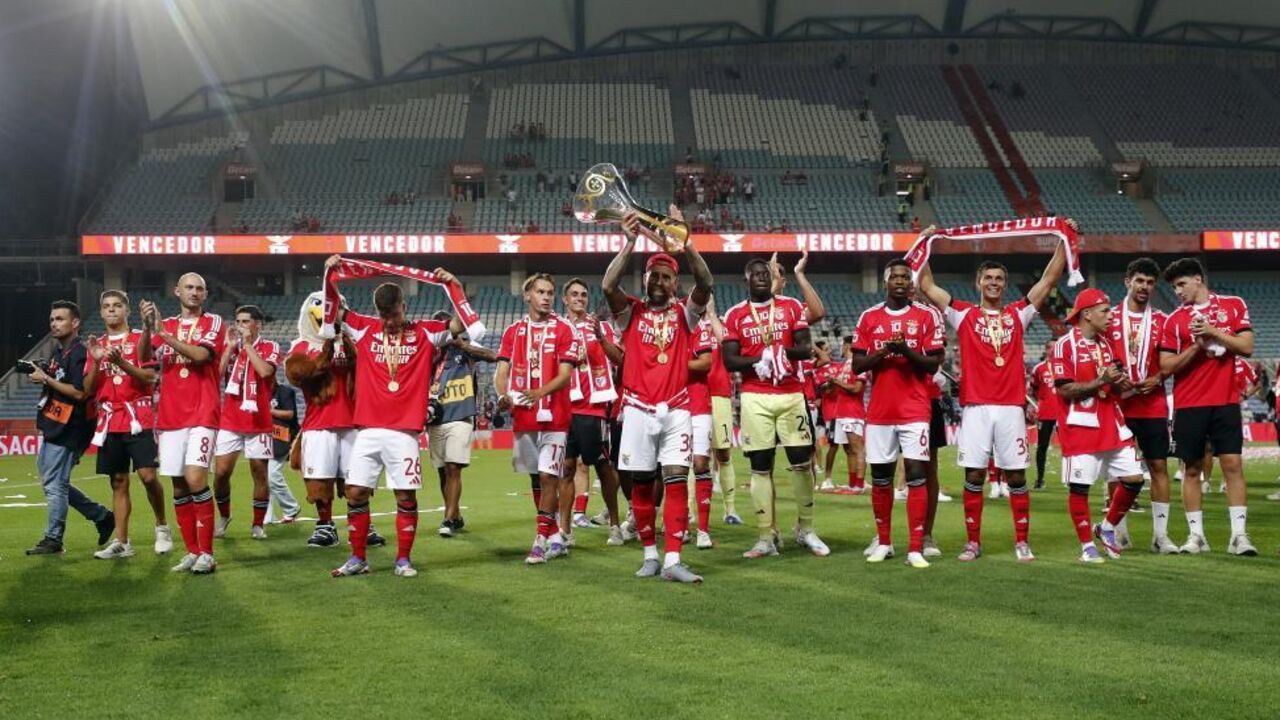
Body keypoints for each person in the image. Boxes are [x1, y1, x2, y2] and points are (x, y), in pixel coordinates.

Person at [916, 225, 1068, 563]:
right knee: (974, 475)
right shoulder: (964, 314)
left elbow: (1048, 282)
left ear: (1004, 282)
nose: (995, 283)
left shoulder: (1019, 313)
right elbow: (926, 285)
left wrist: (1064, 241)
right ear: (979, 283)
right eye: (989, 278)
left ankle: (1022, 542)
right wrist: (923, 242)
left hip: (1011, 408)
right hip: (975, 408)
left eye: (1000, 278)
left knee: (1015, 475)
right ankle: (973, 542)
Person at [327, 256, 466, 578]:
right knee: (355, 492)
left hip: (404, 432)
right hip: (367, 430)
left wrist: (454, 287)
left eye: (395, 314)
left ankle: (403, 559)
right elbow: (332, 308)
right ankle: (358, 557)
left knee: (405, 494)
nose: (389, 321)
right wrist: (329, 274)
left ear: (404, 306)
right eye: (384, 315)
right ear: (377, 311)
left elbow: (464, 324)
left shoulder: (426, 333)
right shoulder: (363, 328)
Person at [602, 206, 713, 582]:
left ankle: (673, 560)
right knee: (642, 482)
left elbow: (706, 283)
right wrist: (630, 242)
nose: (660, 282)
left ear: (674, 283)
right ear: (646, 279)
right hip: (636, 408)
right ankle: (650, 553)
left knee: (677, 478)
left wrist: (687, 244)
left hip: (677, 408)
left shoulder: (686, 315)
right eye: (654, 276)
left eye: (667, 277)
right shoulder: (631, 314)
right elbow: (607, 286)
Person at [722, 258, 829, 560]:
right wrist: (760, 359)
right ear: (747, 280)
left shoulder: (792, 306)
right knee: (760, 465)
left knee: (801, 462)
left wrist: (778, 353)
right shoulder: (736, 314)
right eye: (755, 274)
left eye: (765, 274)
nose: (761, 278)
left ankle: (806, 530)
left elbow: (805, 346)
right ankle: (765, 536)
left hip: (791, 393)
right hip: (755, 396)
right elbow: (730, 360)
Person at [1157, 258, 1256, 555]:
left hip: (1225, 401)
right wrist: (1196, 346)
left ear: (1198, 279)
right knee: (1191, 469)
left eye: (1181, 284)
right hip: (1189, 404)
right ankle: (1196, 536)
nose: (1177, 291)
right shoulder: (1174, 320)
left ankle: (1239, 535)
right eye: (1174, 286)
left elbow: (1247, 346)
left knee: (1233, 466)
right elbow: (1165, 366)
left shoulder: (1233, 305)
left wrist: (1213, 332)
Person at [851, 260, 945, 568]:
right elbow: (857, 365)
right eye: (895, 277)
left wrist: (905, 351)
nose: (901, 282)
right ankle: (885, 542)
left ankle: (916, 547)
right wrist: (882, 352)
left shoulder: (926, 316)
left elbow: (933, 363)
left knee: (917, 474)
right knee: (881, 478)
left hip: (915, 409)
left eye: (906, 277)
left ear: (912, 284)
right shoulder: (870, 317)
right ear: (886, 283)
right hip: (880, 411)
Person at [139, 274, 227, 574]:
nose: (194, 292)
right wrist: (149, 328)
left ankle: (207, 553)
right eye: (189, 287)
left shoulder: (213, 322)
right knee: (178, 486)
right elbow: (144, 359)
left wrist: (162, 334)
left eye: (200, 288)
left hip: (203, 413)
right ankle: (191, 551)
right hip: (171, 416)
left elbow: (202, 356)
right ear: (176, 291)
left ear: (206, 293)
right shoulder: (168, 326)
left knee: (195, 479)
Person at [285, 292, 386, 549]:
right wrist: (329, 346)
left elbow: (371, 369)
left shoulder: (356, 342)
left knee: (358, 478)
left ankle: (363, 524)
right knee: (320, 478)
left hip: (354, 423)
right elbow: (300, 374)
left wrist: (345, 341)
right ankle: (325, 525)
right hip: (319, 423)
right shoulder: (302, 345)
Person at [1051, 289, 1145, 563]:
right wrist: (1101, 380)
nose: (1110, 315)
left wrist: (1120, 381)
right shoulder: (1064, 345)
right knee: (1080, 488)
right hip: (1080, 425)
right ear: (1086, 314)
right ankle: (1086, 547)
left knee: (1134, 479)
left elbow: (1111, 375)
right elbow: (1065, 390)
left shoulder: (1106, 343)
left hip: (1112, 422)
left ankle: (1105, 527)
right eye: (1104, 311)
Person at [495, 273, 579, 565]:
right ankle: (555, 535)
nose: (546, 297)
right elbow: (502, 372)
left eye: (550, 292)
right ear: (527, 295)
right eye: (540, 292)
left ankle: (540, 541)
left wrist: (538, 392)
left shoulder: (565, 329)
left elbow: (566, 375)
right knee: (535, 477)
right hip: (524, 416)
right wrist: (503, 395)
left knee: (548, 477)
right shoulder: (512, 332)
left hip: (555, 417)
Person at [83, 291, 171, 558]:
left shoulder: (139, 339)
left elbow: (149, 376)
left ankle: (162, 527)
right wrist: (98, 361)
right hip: (110, 419)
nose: (111, 310)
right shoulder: (96, 344)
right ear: (100, 312)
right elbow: (88, 388)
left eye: (117, 305)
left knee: (147, 476)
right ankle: (122, 542)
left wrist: (121, 362)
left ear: (126, 311)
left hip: (138, 417)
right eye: (106, 306)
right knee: (118, 481)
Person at [25, 301, 114, 556]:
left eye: (60, 319)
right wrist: (44, 373)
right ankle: (101, 516)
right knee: (54, 482)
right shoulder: (58, 351)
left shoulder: (80, 353)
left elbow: (80, 392)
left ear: (75, 323)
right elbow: (58, 382)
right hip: (56, 425)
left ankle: (54, 539)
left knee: (55, 485)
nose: (54, 323)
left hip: (72, 427)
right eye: (52, 319)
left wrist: (47, 379)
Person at [1105, 258, 1176, 554]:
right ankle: (1118, 532)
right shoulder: (1108, 319)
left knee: (1159, 466)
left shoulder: (1162, 320)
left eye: (1150, 282)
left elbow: (1169, 362)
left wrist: (1159, 376)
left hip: (1152, 404)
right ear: (1128, 282)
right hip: (1118, 405)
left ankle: (1161, 536)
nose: (1145, 287)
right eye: (1140, 281)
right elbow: (1101, 357)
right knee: (1116, 471)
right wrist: (1113, 377)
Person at [559, 280, 625, 545]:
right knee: (565, 469)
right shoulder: (557, 328)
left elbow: (620, 360)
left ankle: (615, 525)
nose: (579, 298)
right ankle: (565, 530)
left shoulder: (603, 326)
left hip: (592, 408)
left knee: (602, 466)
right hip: (562, 409)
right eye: (574, 294)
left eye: (584, 295)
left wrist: (600, 337)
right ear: (564, 299)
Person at [211, 305, 282, 540]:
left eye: (245, 321)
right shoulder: (229, 347)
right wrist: (230, 348)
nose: (240, 325)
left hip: (258, 421)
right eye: (238, 321)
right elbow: (216, 377)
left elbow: (263, 371)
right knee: (220, 473)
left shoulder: (270, 347)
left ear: (257, 325)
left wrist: (248, 346)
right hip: (230, 420)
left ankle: (258, 524)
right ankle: (224, 516)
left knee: (259, 473)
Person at [428, 312, 495, 538]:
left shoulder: (464, 346)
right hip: (435, 417)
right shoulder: (430, 352)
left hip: (461, 414)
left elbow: (493, 355)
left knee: (453, 468)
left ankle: (447, 519)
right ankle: (454, 515)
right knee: (442, 472)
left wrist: (462, 344)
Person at [703, 299, 741, 525]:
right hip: (695, 396)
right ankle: (689, 511)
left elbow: (729, 346)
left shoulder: (725, 324)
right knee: (695, 458)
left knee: (724, 454)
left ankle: (730, 509)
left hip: (720, 396)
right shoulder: (689, 324)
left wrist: (712, 315)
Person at [820, 336, 867, 495]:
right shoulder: (844, 366)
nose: (840, 348)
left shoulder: (859, 365)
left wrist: (837, 382)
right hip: (842, 412)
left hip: (853, 413)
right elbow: (837, 389)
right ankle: (852, 484)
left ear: (848, 346)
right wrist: (830, 384)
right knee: (849, 450)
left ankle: (859, 485)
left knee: (857, 448)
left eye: (842, 345)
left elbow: (856, 388)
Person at [264, 381, 302, 524]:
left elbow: (290, 414)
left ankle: (291, 507)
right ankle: (267, 516)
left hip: (283, 438)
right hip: (265, 437)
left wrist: (269, 411)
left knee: (272, 475)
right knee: (265, 477)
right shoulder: (258, 391)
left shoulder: (285, 392)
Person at [1028, 339, 1061, 491]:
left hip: (1064, 413)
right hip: (1046, 413)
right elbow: (1033, 389)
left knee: (1069, 446)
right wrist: (1039, 403)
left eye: (1056, 348)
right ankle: (1040, 479)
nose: (1053, 351)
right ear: (1046, 350)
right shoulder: (1039, 369)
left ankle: (1072, 478)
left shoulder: (1065, 366)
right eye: (1050, 348)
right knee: (1042, 446)